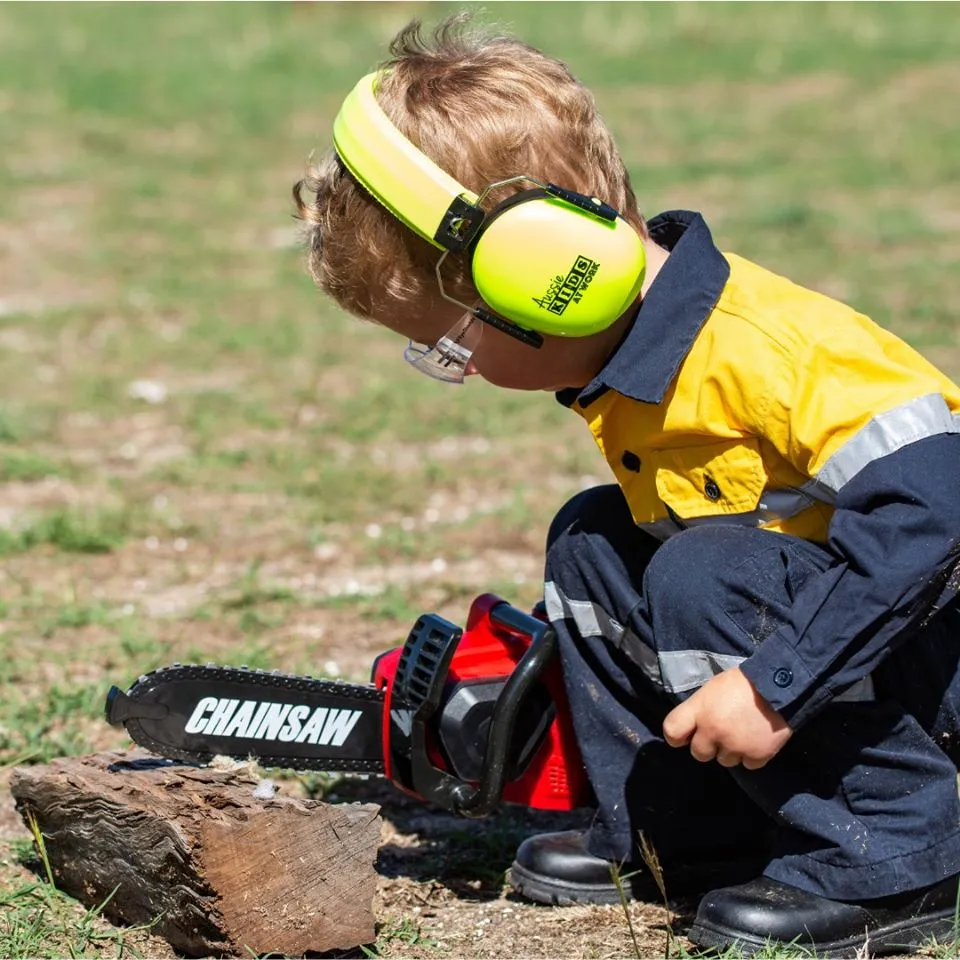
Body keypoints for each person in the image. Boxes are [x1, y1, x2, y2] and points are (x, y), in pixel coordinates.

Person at [293, 15, 960, 957]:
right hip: (854, 642)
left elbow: (938, 514)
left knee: (702, 570)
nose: (461, 367)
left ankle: (895, 852)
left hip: (931, 641)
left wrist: (774, 689)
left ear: (542, 274)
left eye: (454, 340)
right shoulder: (639, 365)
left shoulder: (768, 351)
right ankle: (683, 836)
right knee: (596, 540)